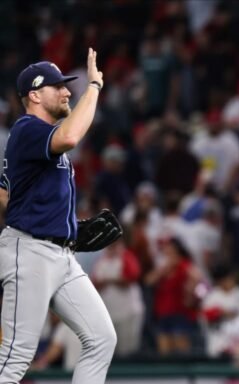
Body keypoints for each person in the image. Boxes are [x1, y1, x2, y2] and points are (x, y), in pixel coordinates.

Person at [0, 49, 117, 382]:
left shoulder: (35, 139)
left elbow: (5, 192)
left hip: (60, 253)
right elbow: (70, 136)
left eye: (68, 85)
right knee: (15, 358)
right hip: (31, 252)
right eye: (58, 87)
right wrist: (94, 86)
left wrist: (62, 226)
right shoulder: (27, 128)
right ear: (34, 95)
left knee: (101, 339)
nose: (68, 91)